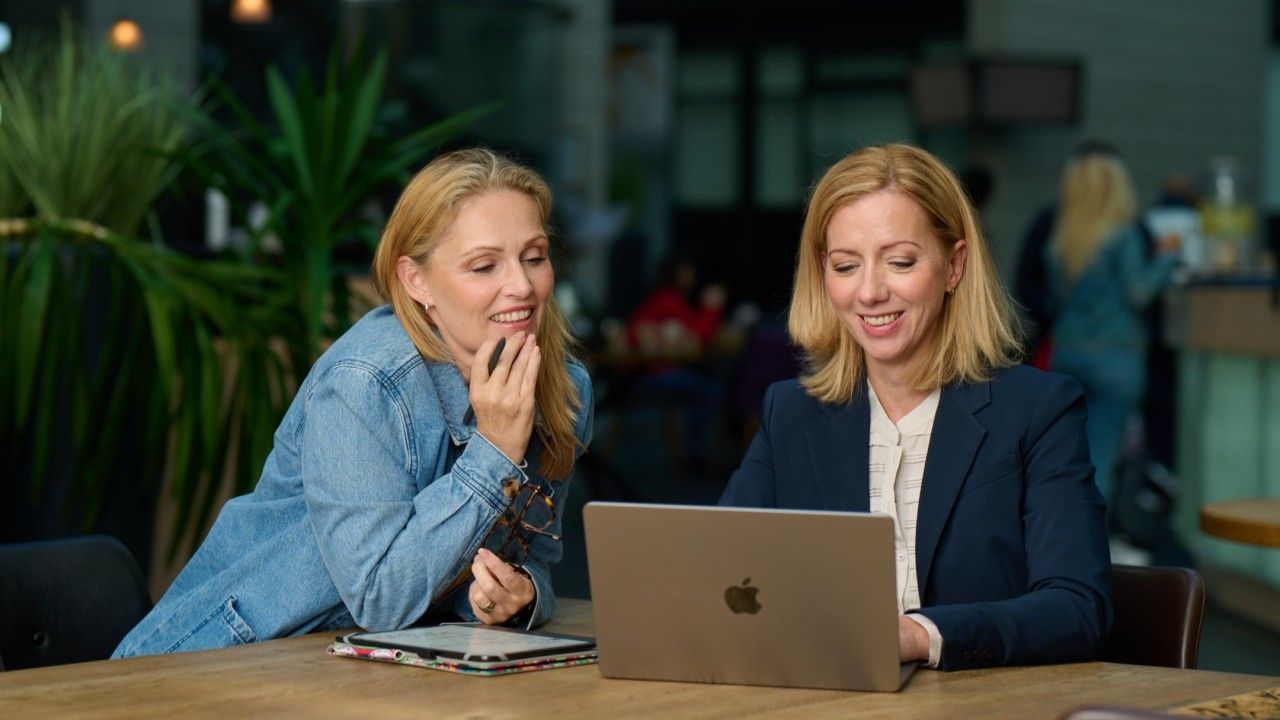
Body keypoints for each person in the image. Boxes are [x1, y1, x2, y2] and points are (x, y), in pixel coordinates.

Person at [113, 149, 594, 657]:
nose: (521, 286)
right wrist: (494, 451)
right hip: (219, 661)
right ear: (417, 281)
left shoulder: (563, 388)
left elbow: (535, 554)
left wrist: (519, 595)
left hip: (373, 667)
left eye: (534, 257)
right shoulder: (365, 384)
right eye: (483, 266)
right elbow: (381, 598)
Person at [719, 143, 1111, 671]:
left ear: (954, 266)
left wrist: (920, 635)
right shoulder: (788, 413)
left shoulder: (1038, 411)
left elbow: (1078, 608)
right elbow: (715, 576)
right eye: (845, 265)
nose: (869, 292)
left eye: (900, 262)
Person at [1045, 148, 1180, 510]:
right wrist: (1167, 258)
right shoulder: (1123, 235)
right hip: (1116, 355)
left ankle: (1062, 533)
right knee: (1102, 458)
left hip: (1068, 352)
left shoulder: (1061, 239)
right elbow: (1139, 292)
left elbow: (1055, 299)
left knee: (1067, 458)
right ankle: (1091, 538)